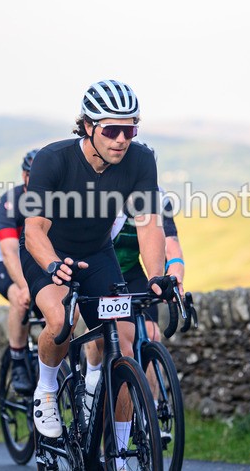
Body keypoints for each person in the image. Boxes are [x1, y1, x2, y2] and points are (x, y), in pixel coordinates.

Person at [20, 79, 169, 465]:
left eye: (130, 129)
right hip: (50, 253)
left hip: (98, 254)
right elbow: (33, 229)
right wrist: (53, 265)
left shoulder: (140, 160)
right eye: (112, 130)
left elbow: (149, 224)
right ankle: (48, 390)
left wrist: (155, 276)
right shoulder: (53, 160)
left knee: (124, 343)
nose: (122, 139)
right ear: (88, 127)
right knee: (59, 321)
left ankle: (118, 451)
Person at [82, 172, 185, 417]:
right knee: (101, 336)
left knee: (150, 333)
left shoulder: (158, 199)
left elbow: (171, 243)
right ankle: (91, 382)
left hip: (132, 273)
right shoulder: (107, 196)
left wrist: (176, 274)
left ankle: (152, 413)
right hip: (103, 273)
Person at [0, 148, 39, 394]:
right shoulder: (10, 202)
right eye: (33, 175)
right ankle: (18, 359)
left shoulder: (58, 201)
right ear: (24, 175)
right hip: (6, 261)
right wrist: (25, 286)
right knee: (21, 299)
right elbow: (8, 251)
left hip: (36, 261)